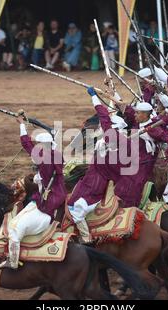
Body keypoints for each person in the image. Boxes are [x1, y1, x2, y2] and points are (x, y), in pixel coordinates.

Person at [0, 114, 67, 270]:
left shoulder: (43, 155)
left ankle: (13, 261)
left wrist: (22, 124)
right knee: (17, 219)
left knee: (14, 229)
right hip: (50, 197)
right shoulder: (56, 154)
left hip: (47, 204)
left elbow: (26, 144)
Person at [67, 87, 129, 243]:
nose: (103, 126)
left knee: (77, 210)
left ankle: (86, 240)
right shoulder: (119, 136)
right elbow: (107, 115)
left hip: (98, 180)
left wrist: (94, 97)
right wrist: (110, 92)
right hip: (96, 173)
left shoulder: (112, 136)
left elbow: (104, 116)